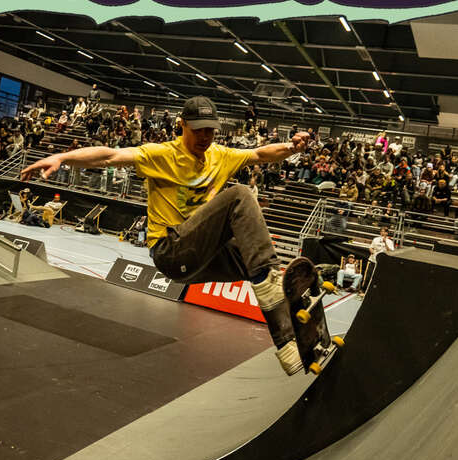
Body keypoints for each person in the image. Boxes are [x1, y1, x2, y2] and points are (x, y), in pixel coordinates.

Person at [21, 96, 311, 376]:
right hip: (170, 251)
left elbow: (260, 154)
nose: (205, 137)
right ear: (182, 124)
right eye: (198, 130)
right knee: (240, 195)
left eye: (211, 130)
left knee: (264, 268)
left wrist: (291, 147)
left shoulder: (221, 155)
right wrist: (61, 157)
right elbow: (110, 156)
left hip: (202, 257)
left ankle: (290, 341)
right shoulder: (160, 154)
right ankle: (268, 281)